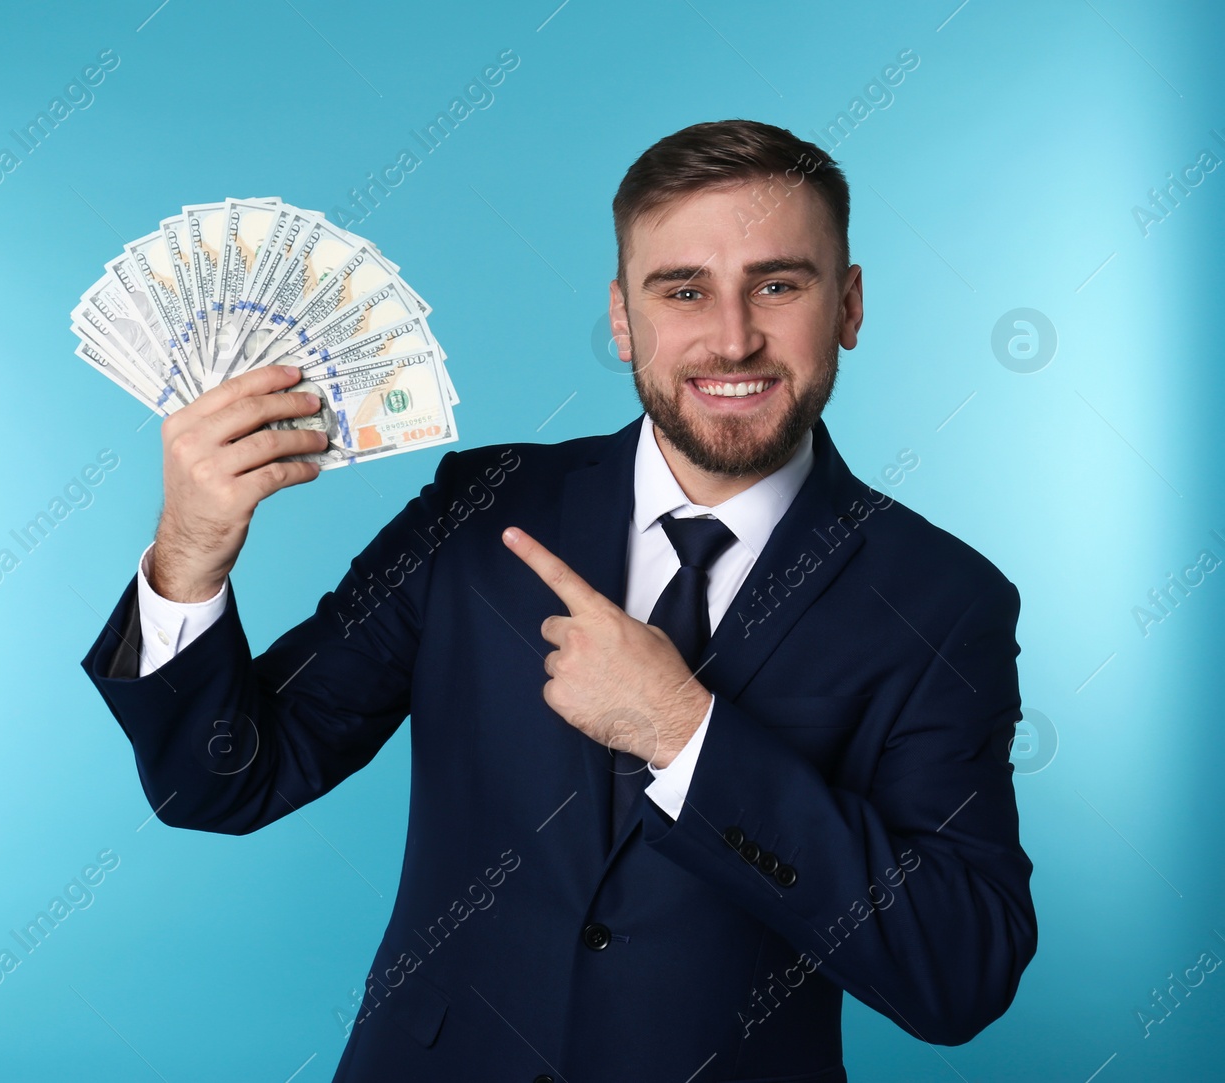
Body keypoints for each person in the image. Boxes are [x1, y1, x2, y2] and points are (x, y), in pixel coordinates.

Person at [81, 119, 1036, 1082]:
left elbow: (957, 973)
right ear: (623, 316)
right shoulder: (481, 509)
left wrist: (683, 731)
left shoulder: (943, 601)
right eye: (685, 290)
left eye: (778, 285)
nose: (734, 336)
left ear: (850, 306)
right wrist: (190, 556)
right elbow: (221, 782)